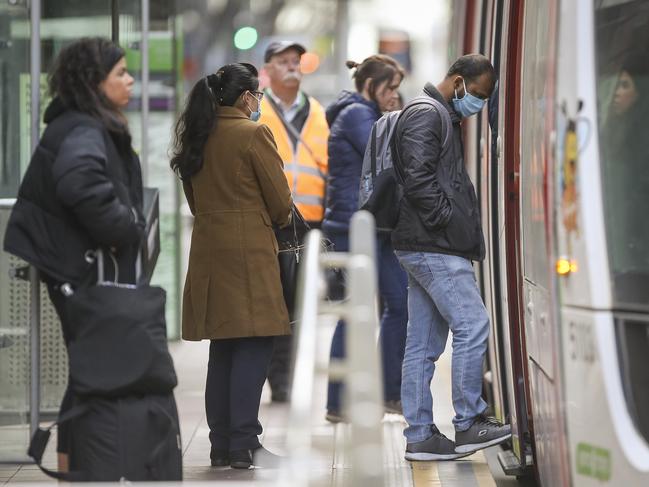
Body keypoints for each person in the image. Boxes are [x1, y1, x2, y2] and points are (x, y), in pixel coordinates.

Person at [3, 37, 144, 472]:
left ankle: (71, 468)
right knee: (91, 370)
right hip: (77, 268)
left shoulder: (82, 122)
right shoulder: (83, 127)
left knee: (89, 369)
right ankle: (72, 469)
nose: (131, 80)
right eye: (120, 72)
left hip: (76, 265)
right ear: (93, 80)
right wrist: (126, 227)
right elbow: (79, 183)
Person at [171, 63, 292, 469]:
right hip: (249, 255)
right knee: (255, 344)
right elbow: (279, 203)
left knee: (223, 349)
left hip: (209, 253)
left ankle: (221, 443)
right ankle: (244, 443)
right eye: (257, 95)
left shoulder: (197, 137)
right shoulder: (253, 133)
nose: (259, 103)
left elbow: (194, 201)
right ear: (245, 97)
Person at [391, 54, 511, 461]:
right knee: (473, 324)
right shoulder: (428, 114)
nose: (476, 104)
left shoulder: (439, 114)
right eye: (476, 94)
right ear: (457, 81)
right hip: (432, 245)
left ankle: (421, 435)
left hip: (424, 243)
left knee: (422, 345)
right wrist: (445, 220)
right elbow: (419, 177)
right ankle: (469, 422)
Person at [322, 55, 407, 422]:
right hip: (352, 227)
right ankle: (338, 402)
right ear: (371, 87)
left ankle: (388, 393)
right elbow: (390, 158)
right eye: (390, 89)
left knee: (399, 302)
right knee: (355, 312)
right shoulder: (357, 116)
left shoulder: (367, 114)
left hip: (377, 226)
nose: (394, 96)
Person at [259, 40, 329, 402]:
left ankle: (292, 376)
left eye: (296, 61)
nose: (292, 66)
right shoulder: (256, 112)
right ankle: (280, 381)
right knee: (275, 303)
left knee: (300, 305)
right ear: (267, 69)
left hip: (310, 226)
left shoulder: (318, 113)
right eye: (283, 61)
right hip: (270, 223)